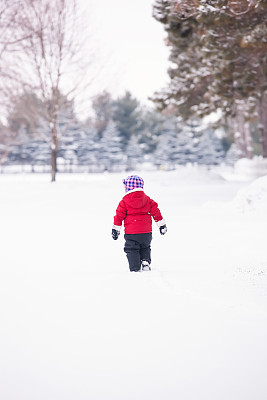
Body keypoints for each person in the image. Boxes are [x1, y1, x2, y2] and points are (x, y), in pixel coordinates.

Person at [112, 175, 167, 272]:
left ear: (128, 188)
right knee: (145, 246)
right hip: (146, 232)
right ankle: (145, 261)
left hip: (131, 233)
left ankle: (135, 267)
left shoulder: (124, 202)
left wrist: (115, 230)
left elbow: (119, 217)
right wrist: (161, 225)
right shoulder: (148, 200)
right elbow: (156, 213)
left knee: (132, 249)